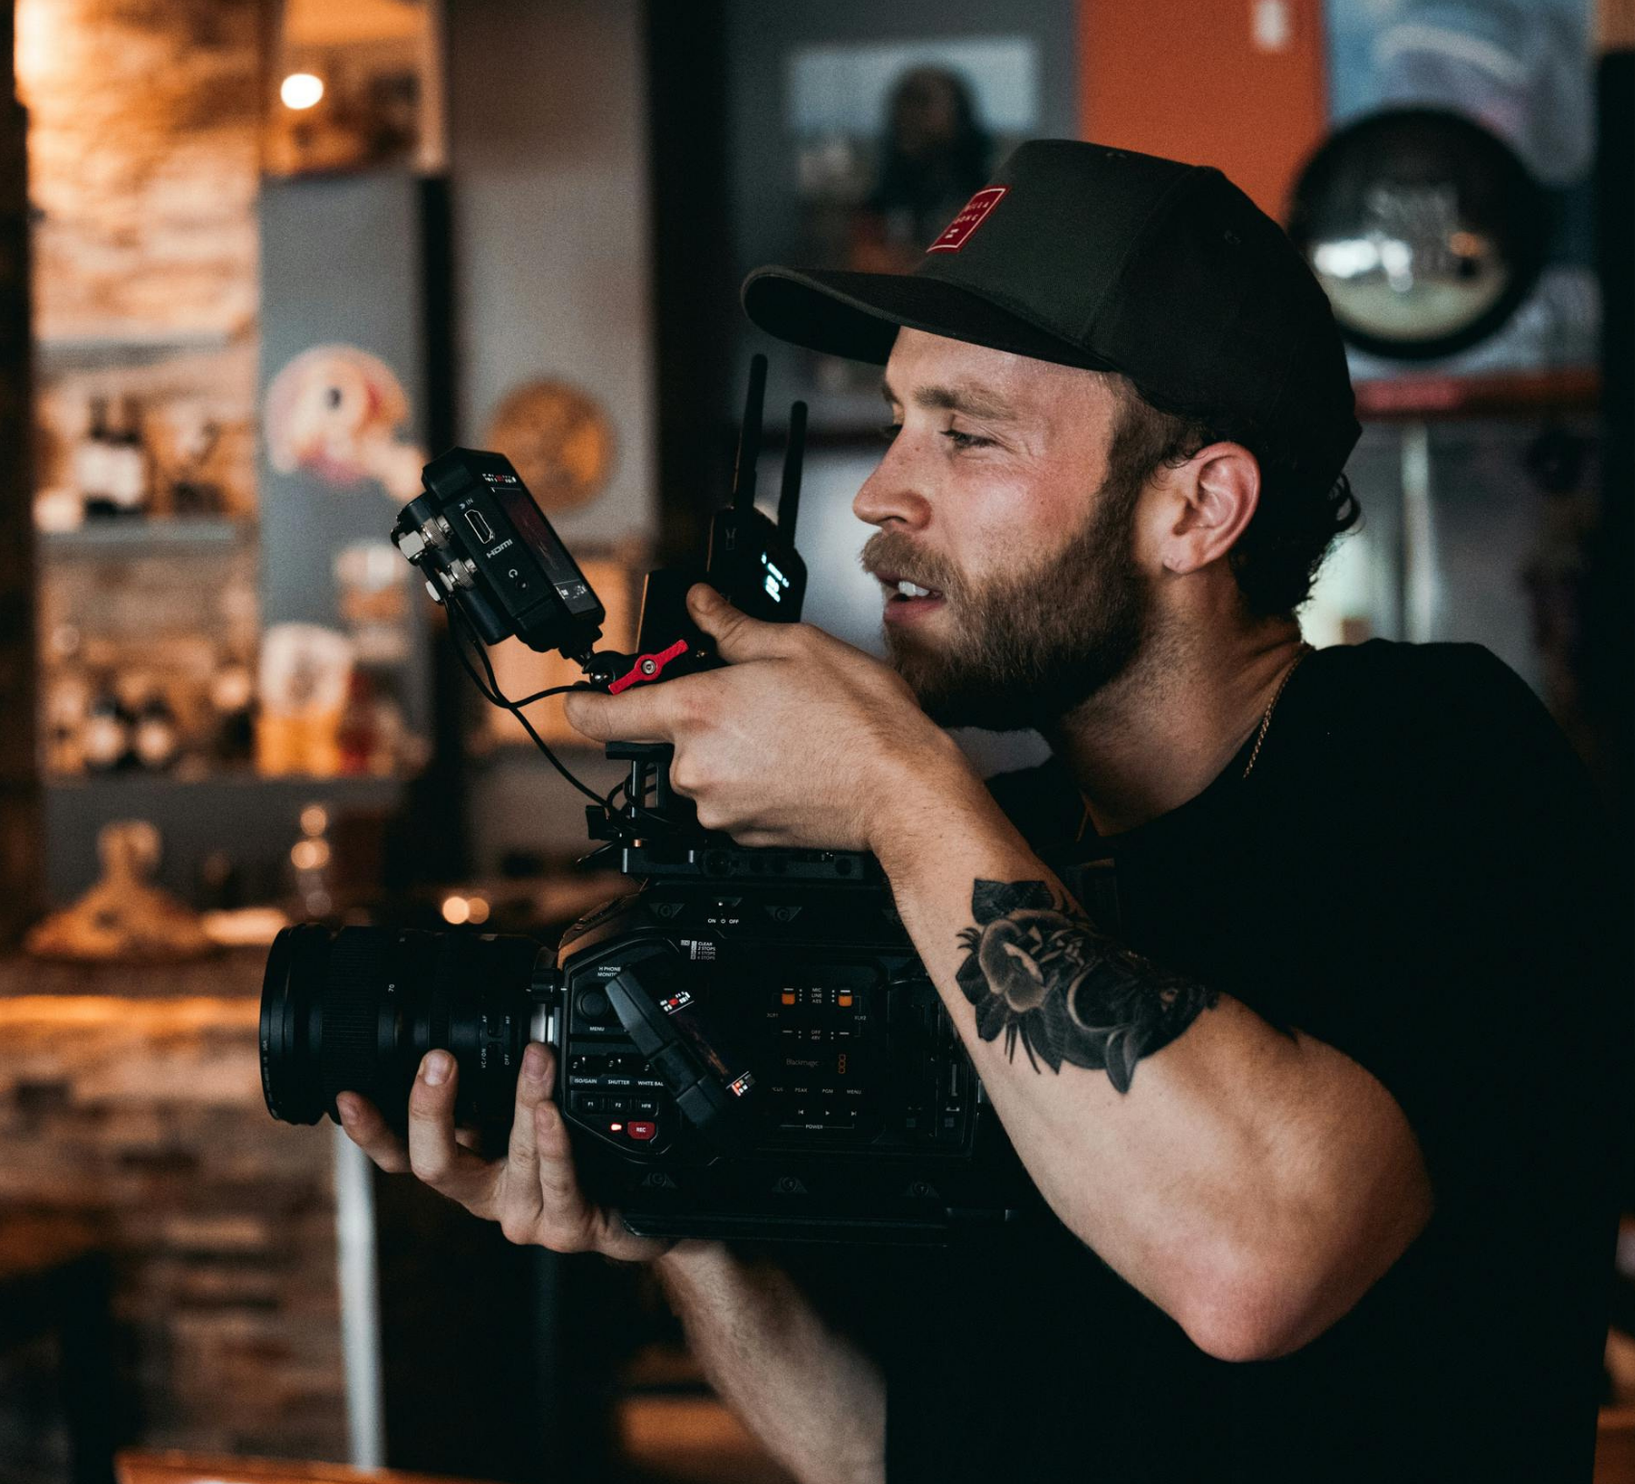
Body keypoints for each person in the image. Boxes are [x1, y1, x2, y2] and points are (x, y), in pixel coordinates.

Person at [336, 140, 1622, 1483]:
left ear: (1197, 508)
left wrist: (896, 787)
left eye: (966, 432)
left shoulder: (1435, 763)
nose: (884, 494)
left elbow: (1260, 1262)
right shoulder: (986, 840)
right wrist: (686, 1225)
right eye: (895, 422)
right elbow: (877, 1451)